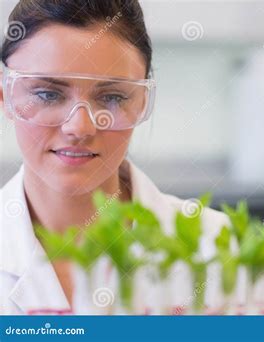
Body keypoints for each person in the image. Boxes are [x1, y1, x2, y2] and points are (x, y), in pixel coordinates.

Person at [0, 0, 228, 315]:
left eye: (112, 97)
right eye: (47, 94)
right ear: (5, 96)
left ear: (142, 102)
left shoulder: (219, 247)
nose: (79, 127)